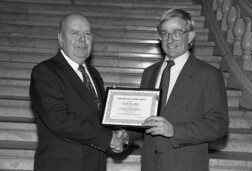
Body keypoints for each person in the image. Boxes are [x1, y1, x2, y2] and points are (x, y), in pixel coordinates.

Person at [29, 13, 128, 171]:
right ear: (61, 39)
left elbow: (98, 119)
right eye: (75, 33)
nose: (82, 39)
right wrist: (108, 138)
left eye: (87, 34)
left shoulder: (93, 74)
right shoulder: (45, 72)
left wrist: (118, 134)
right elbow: (59, 119)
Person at [140, 8, 229, 171]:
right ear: (159, 37)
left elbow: (219, 125)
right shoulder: (149, 73)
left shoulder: (208, 74)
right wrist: (124, 136)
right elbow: (143, 119)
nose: (170, 39)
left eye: (177, 33)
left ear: (191, 36)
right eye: (165, 33)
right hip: (150, 165)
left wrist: (175, 130)